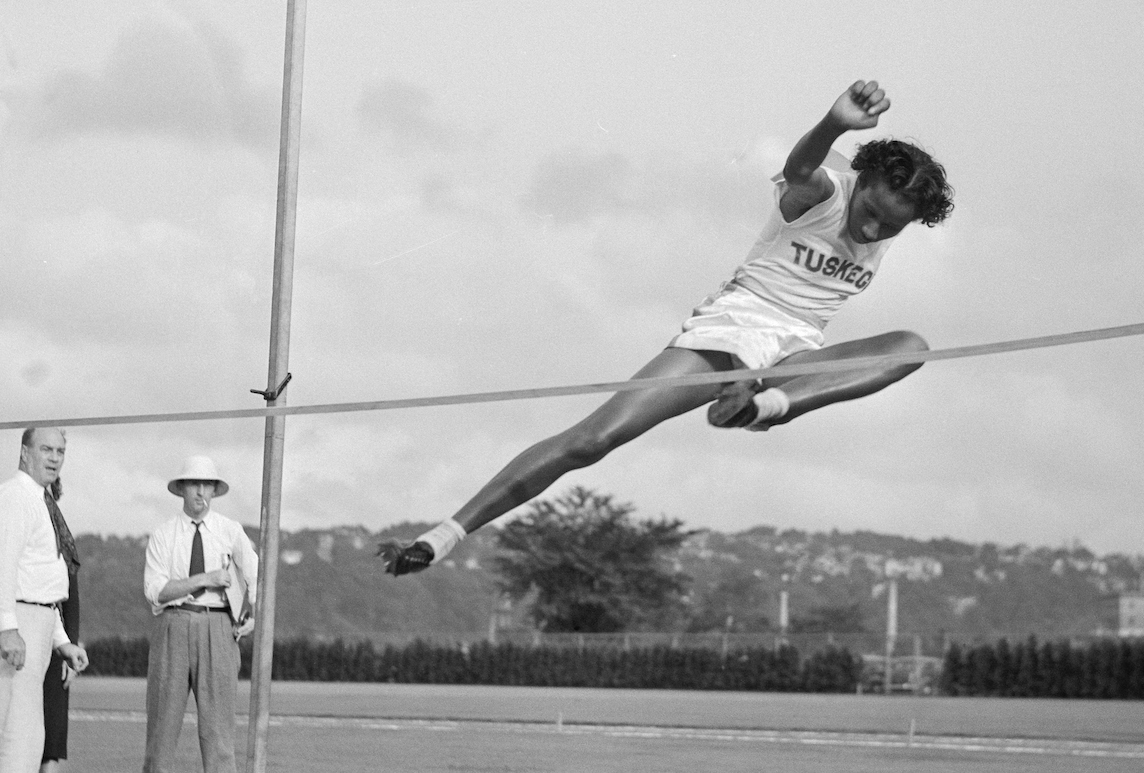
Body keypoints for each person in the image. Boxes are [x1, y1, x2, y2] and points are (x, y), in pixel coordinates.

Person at [380, 80, 954, 575]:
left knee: (911, 347)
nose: (874, 231)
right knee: (591, 441)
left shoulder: (886, 223)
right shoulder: (824, 193)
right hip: (734, 328)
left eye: (891, 228)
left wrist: (772, 387)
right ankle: (445, 535)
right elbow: (803, 166)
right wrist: (833, 122)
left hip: (794, 357)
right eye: (871, 213)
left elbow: (879, 272)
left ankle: (758, 406)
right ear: (862, 182)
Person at [142, 456, 258, 773]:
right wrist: (204, 579)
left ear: (214, 491)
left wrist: (252, 616)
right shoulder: (164, 534)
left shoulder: (230, 531)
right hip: (173, 627)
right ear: (182, 489)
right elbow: (155, 590)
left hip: (219, 628)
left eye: (207, 485)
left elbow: (256, 573)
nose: (201, 492)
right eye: (194, 484)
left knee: (219, 736)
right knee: (161, 734)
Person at [0, 428, 89, 773]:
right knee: (17, 736)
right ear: (25, 453)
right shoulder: (15, 496)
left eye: (60, 451)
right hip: (18, 623)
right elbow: (4, 564)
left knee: (31, 735)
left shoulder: (41, 500)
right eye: (46, 449)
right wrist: (8, 629)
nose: (54, 458)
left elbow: (44, 584)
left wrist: (63, 643)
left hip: (40, 624)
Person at [41, 474, 81, 773]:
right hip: (20, 634)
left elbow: (72, 602)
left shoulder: (64, 541)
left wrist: (69, 648)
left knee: (51, 740)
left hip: (57, 647)